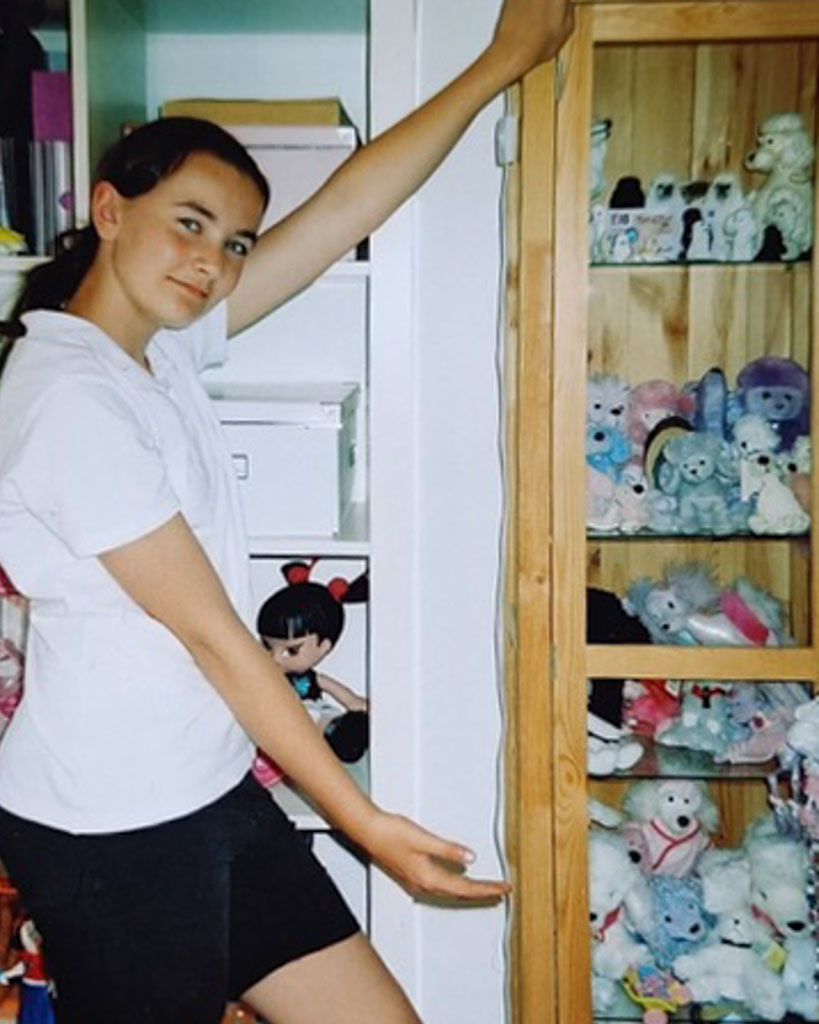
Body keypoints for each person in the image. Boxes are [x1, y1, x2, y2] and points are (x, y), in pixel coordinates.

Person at [0, 0, 573, 1020]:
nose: (211, 262)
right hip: (111, 833)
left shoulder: (160, 348)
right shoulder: (65, 396)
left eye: (234, 242)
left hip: (210, 793)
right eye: (190, 223)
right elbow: (221, 641)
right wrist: (365, 823)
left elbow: (347, 207)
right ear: (109, 208)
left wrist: (504, 61)